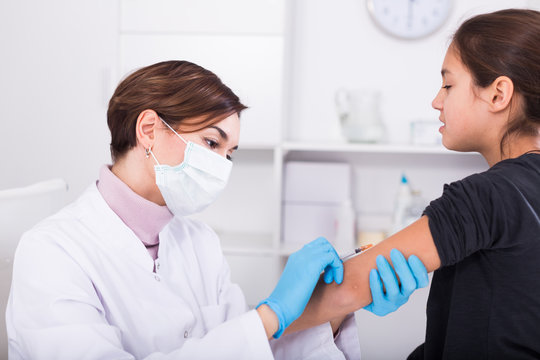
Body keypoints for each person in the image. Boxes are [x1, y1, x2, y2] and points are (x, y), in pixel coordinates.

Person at [6, 60, 428, 359]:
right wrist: (269, 314)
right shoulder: (51, 251)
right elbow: (250, 335)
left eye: (230, 153)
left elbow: (241, 348)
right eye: (212, 143)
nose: (222, 166)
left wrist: (337, 307)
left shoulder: (198, 241)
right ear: (149, 129)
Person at [285, 8, 540, 359]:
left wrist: (260, 321)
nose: (436, 101)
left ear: (498, 94)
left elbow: (341, 292)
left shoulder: (487, 196)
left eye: (448, 85)